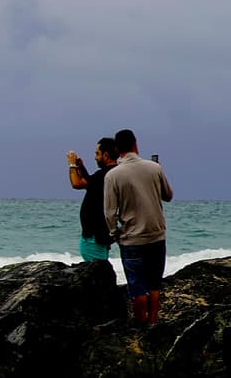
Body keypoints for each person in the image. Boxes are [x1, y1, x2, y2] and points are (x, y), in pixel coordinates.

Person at [104, 129, 174, 326]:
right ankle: (153, 322)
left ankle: (141, 324)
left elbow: (109, 212)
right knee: (154, 283)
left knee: (137, 286)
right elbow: (168, 196)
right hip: (156, 233)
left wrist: (114, 233)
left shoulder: (113, 175)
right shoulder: (154, 168)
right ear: (136, 144)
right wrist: (157, 175)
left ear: (117, 149)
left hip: (132, 237)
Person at [66, 137, 118, 262]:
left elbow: (77, 183)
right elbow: (90, 183)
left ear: (106, 155)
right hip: (101, 235)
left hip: (94, 237)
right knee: (101, 268)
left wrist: (72, 165)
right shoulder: (112, 173)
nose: (95, 158)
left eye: (97, 154)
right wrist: (81, 168)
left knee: (96, 270)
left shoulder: (104, 175)